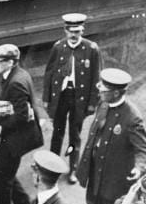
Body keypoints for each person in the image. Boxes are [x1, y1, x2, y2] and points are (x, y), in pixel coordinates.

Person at [77, 68, 146, 204]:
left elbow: (144, 149)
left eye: (104, 89)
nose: (99, 90)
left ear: (116, 93)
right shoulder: (103, 104)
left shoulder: (132, 117)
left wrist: (139, 168)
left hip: (114, 180)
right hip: (95, 172)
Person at [0, 43, 44, 204]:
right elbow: (12, 106)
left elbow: (21, 115)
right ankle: (22, 200)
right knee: (1, 168)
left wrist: (1, 127)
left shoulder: (16, 82)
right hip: (19, 135)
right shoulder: (17, 75)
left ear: (10, 62)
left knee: (2, 174)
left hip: (17, 137)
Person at [43, 13, 102, 178]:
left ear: (83, 30)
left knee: (75, 134)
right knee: (57, 132)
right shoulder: (58, 47)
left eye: (77, 31)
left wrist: (92, 103)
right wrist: (47, 98)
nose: (74, 35)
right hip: (61, 96)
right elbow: (49, 74)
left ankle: (73, 169)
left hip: (79, 98)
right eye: (71, 31)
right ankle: (52, 166)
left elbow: (96, 78)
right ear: (65, 30)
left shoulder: (91, 49)